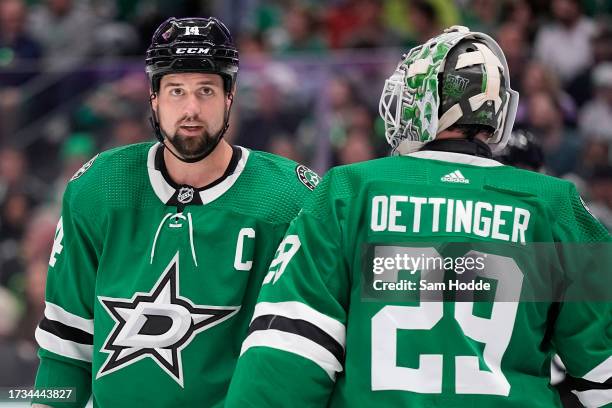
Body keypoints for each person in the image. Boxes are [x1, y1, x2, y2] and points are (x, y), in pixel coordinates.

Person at [226, 26, 611, 407]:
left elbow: (289, 349)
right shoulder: (554, 204)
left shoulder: (348, 191)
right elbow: (604, 368)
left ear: (429, 99)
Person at [32, 17, 317, 407]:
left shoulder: (288, 199)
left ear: (230, 95)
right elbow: (66, 345)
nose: (191, 110)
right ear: (153, 96)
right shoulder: (98, 188)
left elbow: (307, 356)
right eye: (176, 91)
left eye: (206, 91)